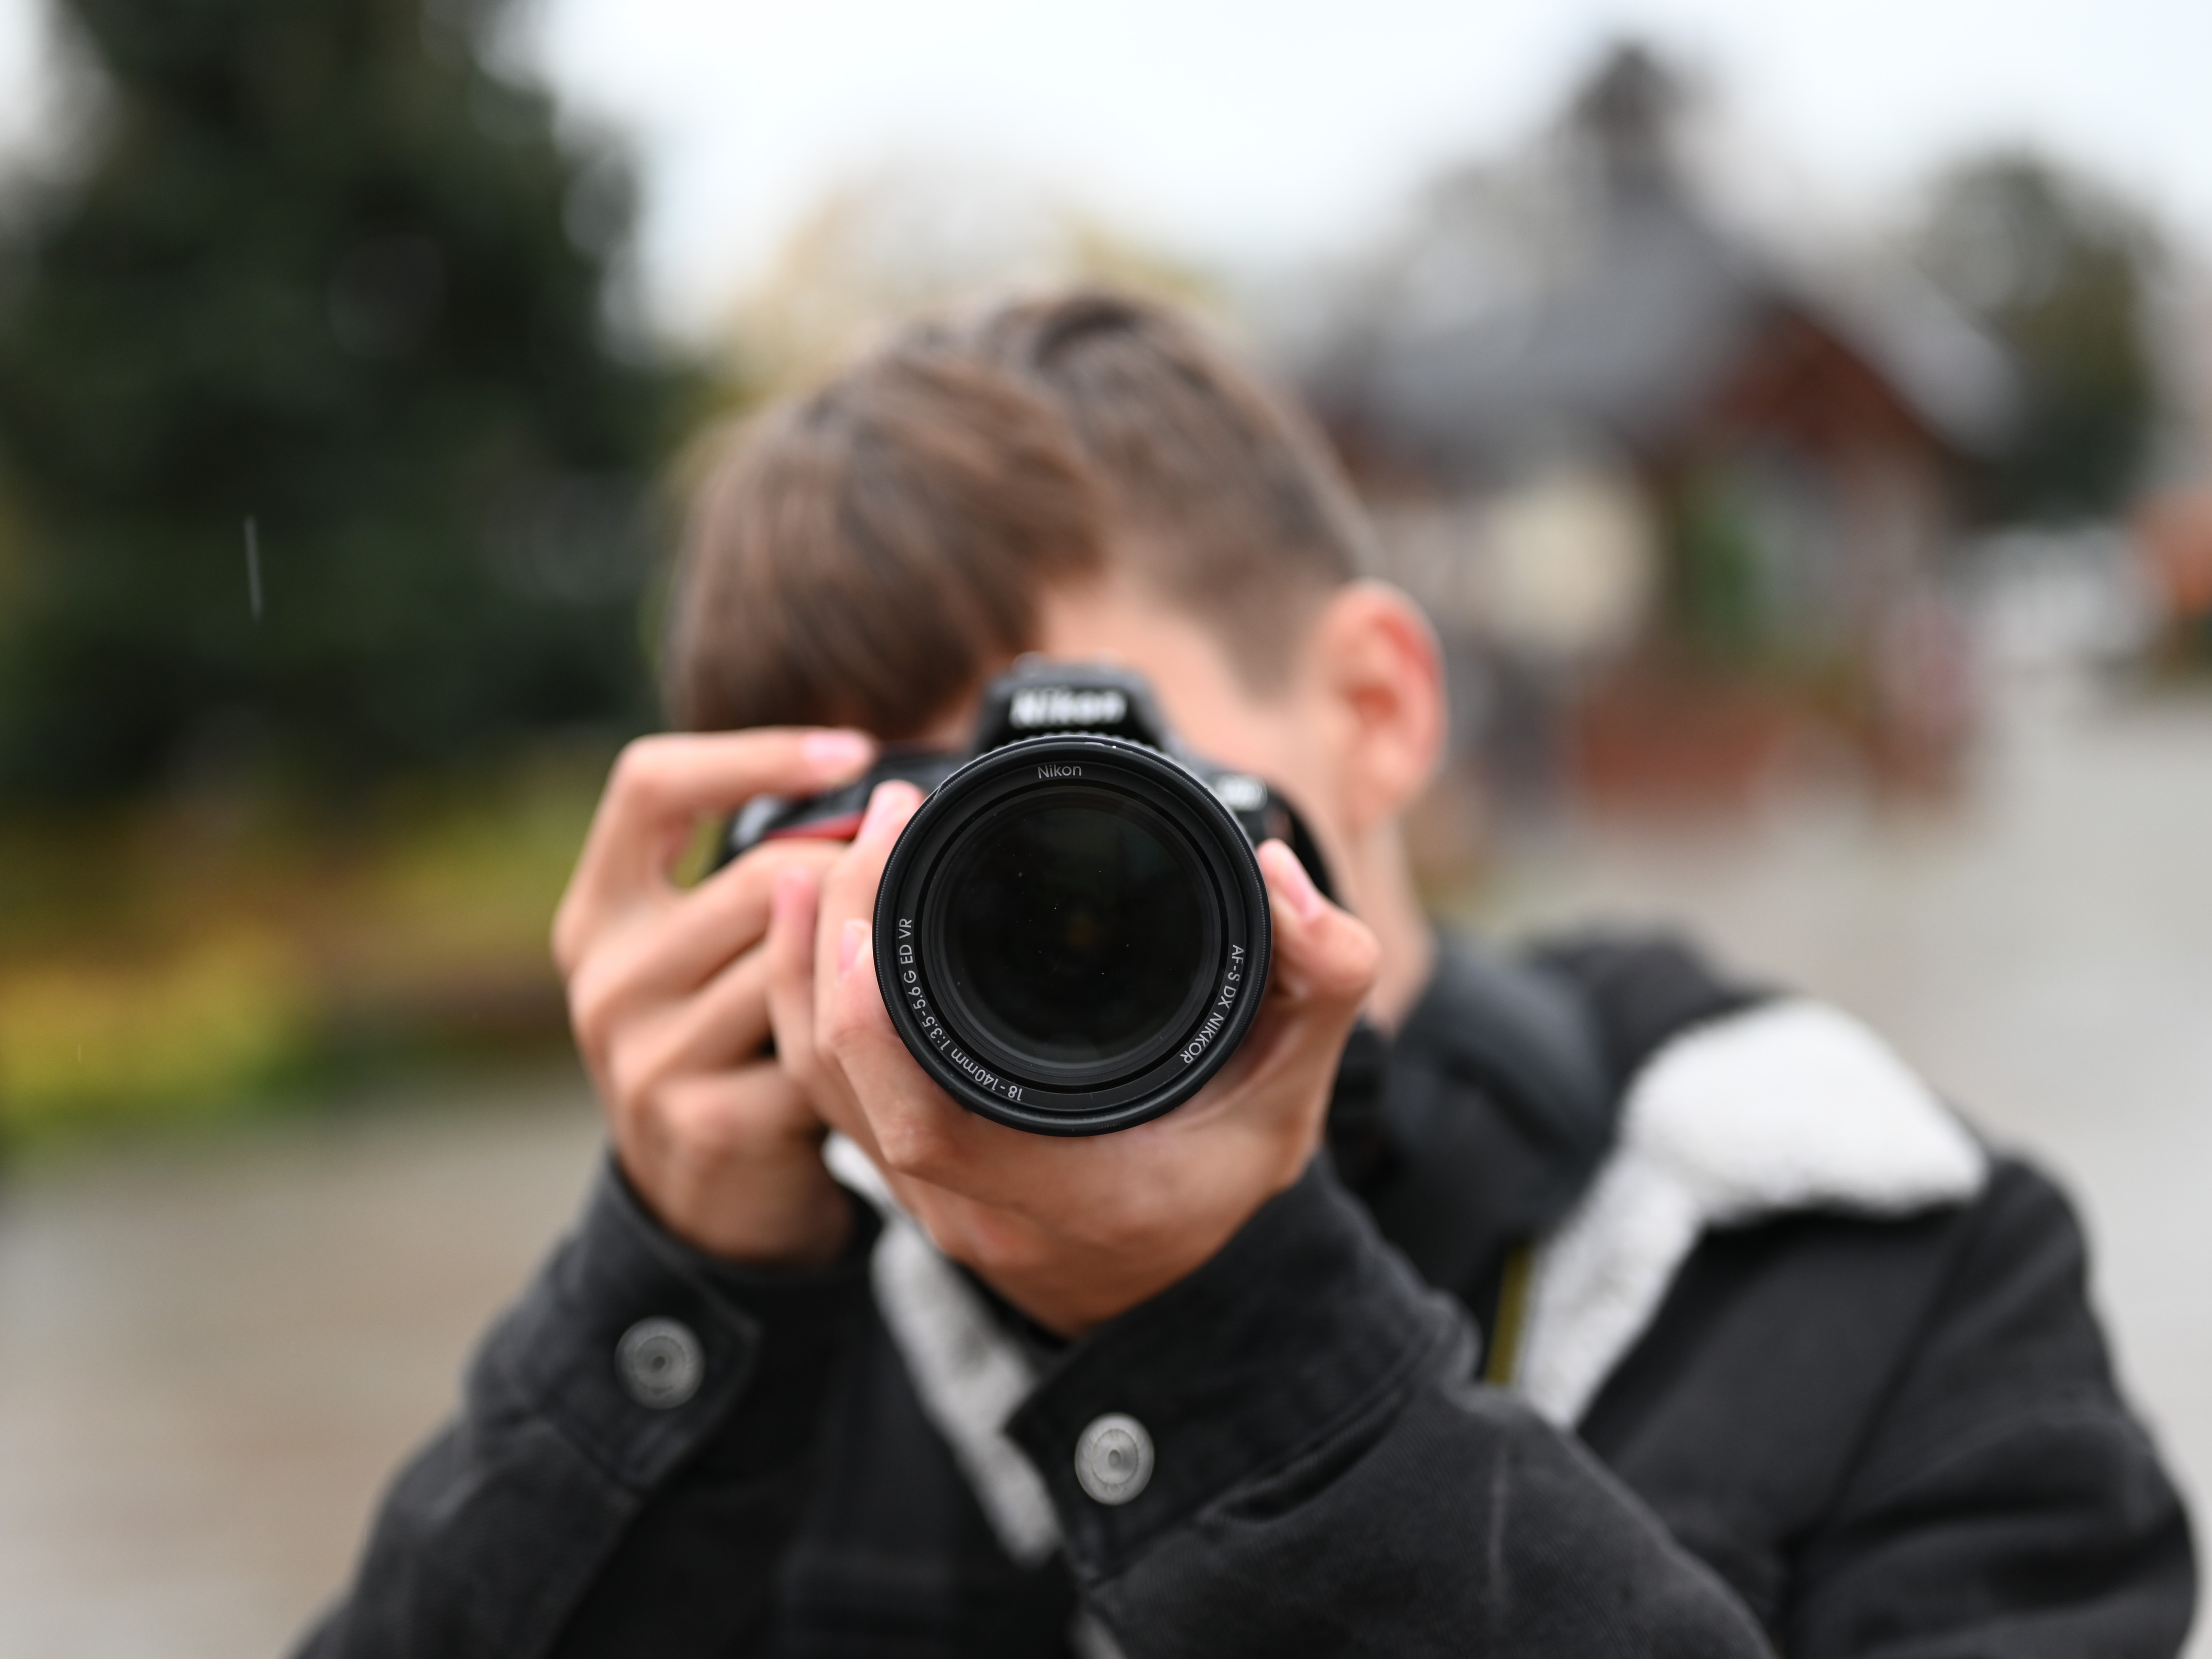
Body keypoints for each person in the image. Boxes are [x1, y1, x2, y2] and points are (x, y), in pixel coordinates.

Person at [297, 292, 2195, 1657]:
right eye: (881, 848)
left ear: (1372, 707)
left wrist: (1224, 1337)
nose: (985, 924)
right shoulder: (794, 1323)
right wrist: (668, 1308)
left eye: (1075, 819)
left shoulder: (1873, 1262)